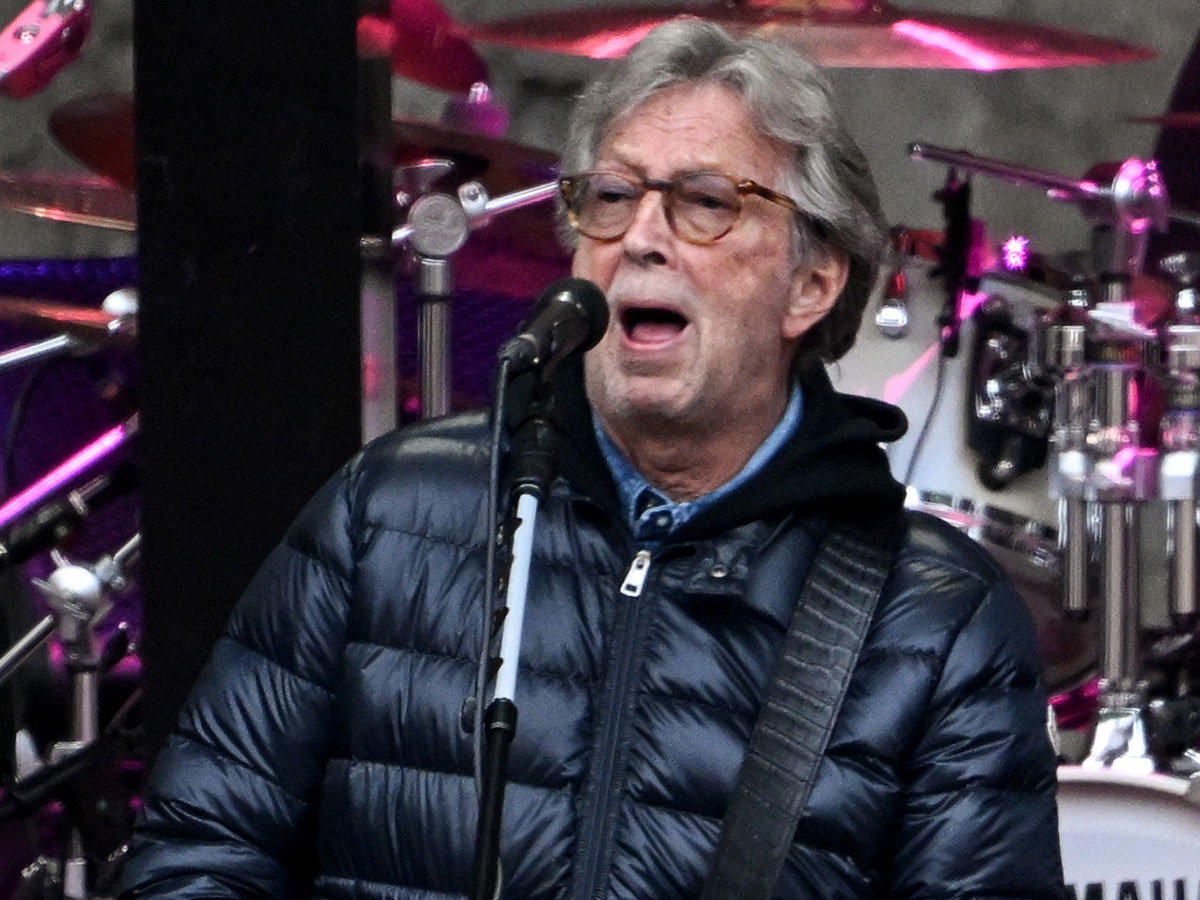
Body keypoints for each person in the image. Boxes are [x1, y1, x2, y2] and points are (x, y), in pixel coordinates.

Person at [117, 18, 1064, 900]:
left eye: (706, 203)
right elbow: (198, 854)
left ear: (811, 284)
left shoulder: (934, 621)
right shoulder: (389, 512)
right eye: (611, 198)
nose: (640, 239)